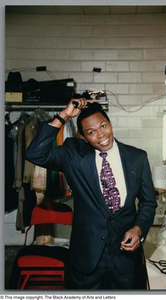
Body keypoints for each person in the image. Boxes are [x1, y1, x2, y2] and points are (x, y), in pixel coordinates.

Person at [26, 99, 157, 290]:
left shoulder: (137, 157)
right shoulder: (73, 154)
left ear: (110, 123)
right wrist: (64, 115)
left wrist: (138, 229)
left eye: (103, 126)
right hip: (86, 260)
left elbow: (148, 203)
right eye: (91, 132)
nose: (100, 134)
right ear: (85, 138)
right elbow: (35, 153)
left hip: (125, 261)